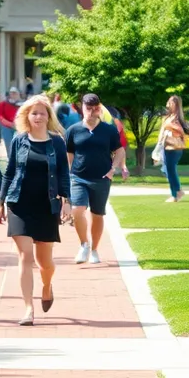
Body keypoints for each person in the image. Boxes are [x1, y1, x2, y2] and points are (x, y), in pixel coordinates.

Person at [0, 95, 71, 326]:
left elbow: (63, 173)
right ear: (27, 116)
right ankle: (28, 309)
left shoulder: (57, 142)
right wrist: (1, 201)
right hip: (19, 204)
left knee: (44, 262)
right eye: (34, 113)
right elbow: (9, 173)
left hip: (47, 205)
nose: (38, 117)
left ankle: (47, 285)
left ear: (49, 116)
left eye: (42, 113)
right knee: (25, 256)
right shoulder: (19, 140)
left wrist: (66, 200)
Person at [67, 94, 126, 265]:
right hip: (78, 177)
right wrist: (70, 173)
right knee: (78, 209)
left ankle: (94, 250)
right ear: (82, 108)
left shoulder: (109, 130)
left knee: (97, 214)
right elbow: (69, 154)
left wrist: (113, 169)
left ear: (99, 109)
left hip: (101, 178)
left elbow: (120, 150)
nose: (92, 112)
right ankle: (84, 244)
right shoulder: (73, 130)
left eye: (95, 109)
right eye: (88, 109)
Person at [159, 95, 189, 203]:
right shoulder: (169, 116)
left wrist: (171, 129)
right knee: (167, 170)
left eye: (170, 102)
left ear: (175, 104)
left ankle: (176, 193)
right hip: (166, 146)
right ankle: (177, 191)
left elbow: (181, 131)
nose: (168, 104)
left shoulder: (176, 118)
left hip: (174, 147)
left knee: (171, 170)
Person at [0, 87, 21, 151]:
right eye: (12, 93)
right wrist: (10, 124)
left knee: (18, 146)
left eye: (15, 93)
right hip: (6, 128)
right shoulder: (2, 104)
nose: (13, 95)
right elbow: (0, 117)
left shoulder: (22, 105)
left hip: (18, 128)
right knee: (9, 146)